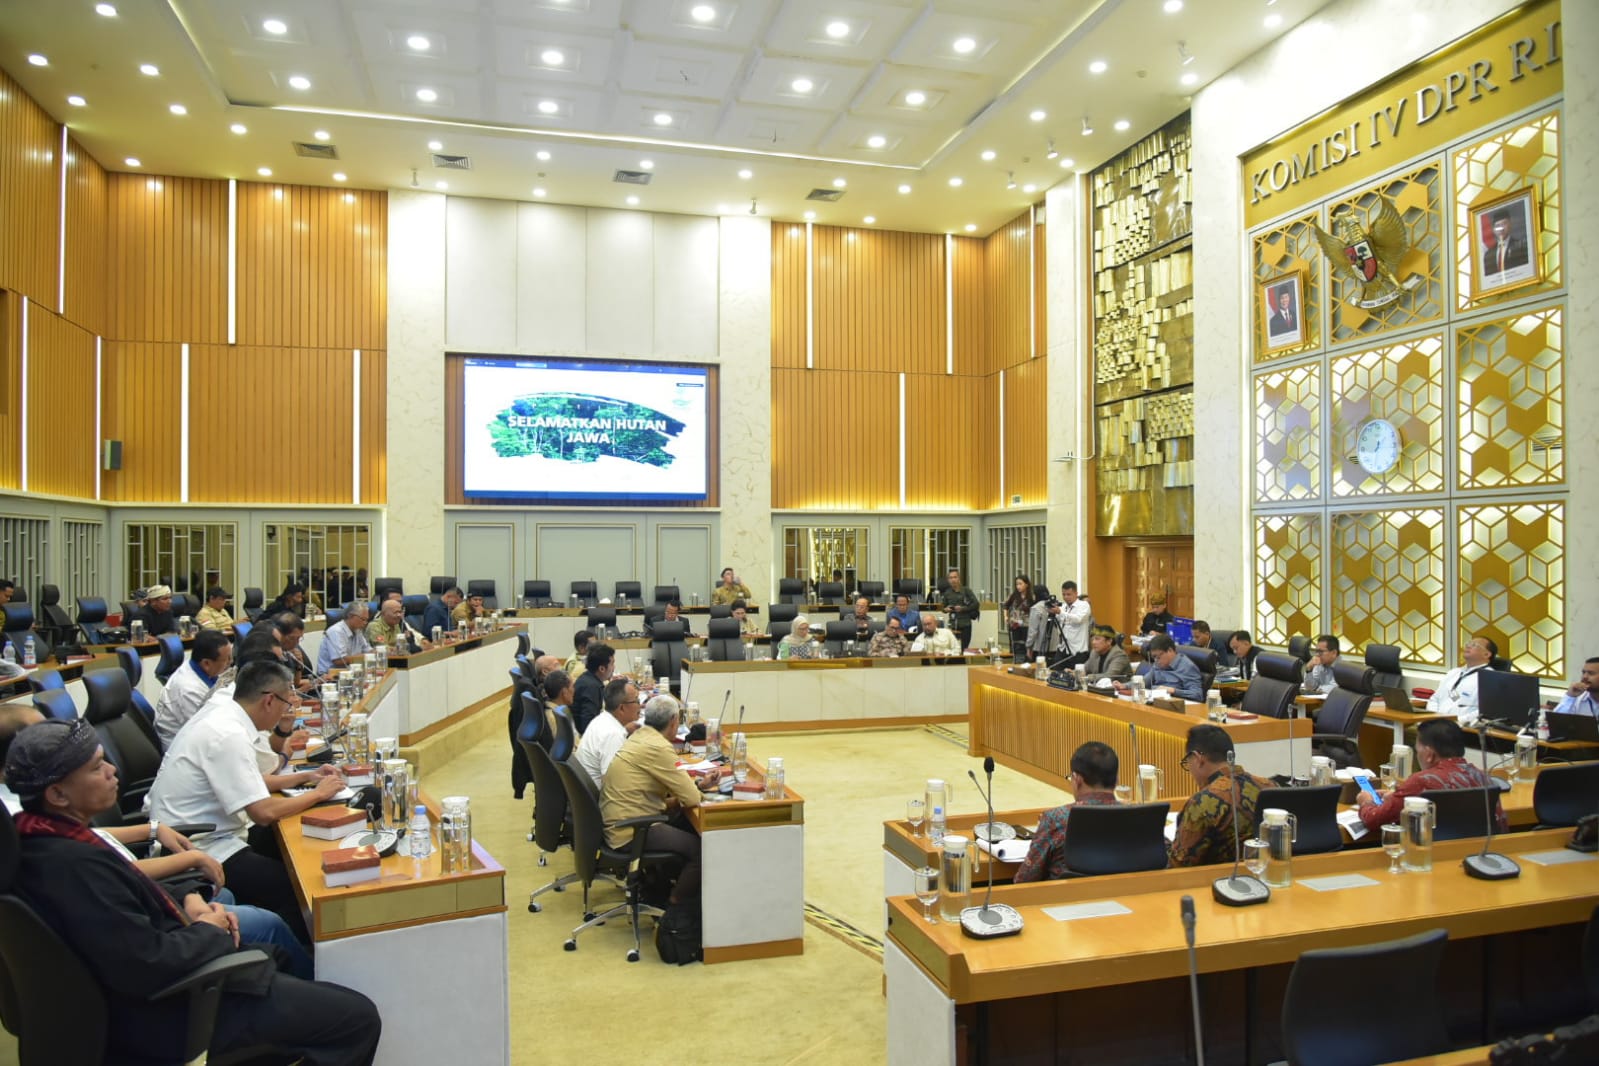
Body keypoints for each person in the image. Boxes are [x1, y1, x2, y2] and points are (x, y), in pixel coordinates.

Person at [4, 718, 381, 1065]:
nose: (112, 771)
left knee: (278, 955)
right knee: (356, 1018)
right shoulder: (73, 867)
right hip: (169, 1011)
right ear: (58, 794)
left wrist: (189, 899)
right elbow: (149, 963)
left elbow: (131, 894)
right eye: (96, 768)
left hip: (157, 983)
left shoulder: (41, 837)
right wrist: (210, 928)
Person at [147, 662, 346, 942]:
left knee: (291, 845)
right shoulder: (228, 733)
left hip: (209, 833)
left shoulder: (225, 716)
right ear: (268, 701)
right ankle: (299, 958)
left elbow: (251, 781)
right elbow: (263, 812)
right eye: (286, 704)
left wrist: (307, 778)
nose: (286, 712)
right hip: (197, 846)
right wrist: (318, 794)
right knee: (294, 884)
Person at [601, 694, 723, 904]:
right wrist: (696, 790)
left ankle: (658, 889)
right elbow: (692, 799)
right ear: (674, 721)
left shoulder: (640, 736)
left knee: (685, 824)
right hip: (631, 831)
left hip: (623, 819)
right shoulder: (659, 747)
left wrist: (699, 786)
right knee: (703, 849)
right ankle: (675, 909)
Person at [1357, 719, 1507, 832]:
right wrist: (1399, 795)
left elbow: (1373, 820)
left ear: (1429, 754)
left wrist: (1366, 801)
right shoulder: (1482, 777)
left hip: (1432, 855)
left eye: (1417, 750)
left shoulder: (1421, 781)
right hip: (1476, 856)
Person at [1013, 743, 1120, 883]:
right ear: (1117, 779)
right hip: (1123, 899)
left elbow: (1025, 880)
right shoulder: (1135, 816)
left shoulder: (1056, 819)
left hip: (1063, 900)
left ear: (1077, 780)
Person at [1168, 724, 1273, 867]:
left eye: (1188, 762)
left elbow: (1178, 865)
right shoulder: (1269, 786)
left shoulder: (1203, 801)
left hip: (1217, 882)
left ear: (1199, 759)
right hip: (1266, 874)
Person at [154, 628, 233, 747]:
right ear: (206, 663)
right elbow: (208, 730)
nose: (230, 663)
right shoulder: (189, 689)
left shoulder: (202, 669)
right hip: (179, 745)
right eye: (226, 659)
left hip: (199, 736)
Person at [574, 678, 641, 789]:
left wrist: (625, 730)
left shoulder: (602, 719)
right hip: (601, 800)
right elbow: (615, 784)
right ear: (622, 708)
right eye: (636, 701)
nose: (640, 706)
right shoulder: (613, 735)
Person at [1427, 635, 1496, 725]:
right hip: (1436, 723)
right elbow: (1434, 699)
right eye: (1468, 644)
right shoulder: (1453, 673)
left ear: (1486, 654)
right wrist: (1433, 717)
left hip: (1462, 728)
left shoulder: (1490, 678)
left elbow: (1486, 711)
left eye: (1474, 645)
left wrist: (1458, 721)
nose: (1468, 646)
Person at [1120, 634, 1205, 702]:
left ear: (1170, 650)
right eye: (1154, 657)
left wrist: (1173, 690)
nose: (1156, 661)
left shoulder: (1187, 667)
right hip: (1155, 703)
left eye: (1158, 657)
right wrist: (1124, 686)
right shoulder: (1158, 664)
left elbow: (1198, 695)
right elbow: (1145, 681)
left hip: (1176, 708)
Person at [316, 602, 372, 674]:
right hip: (329, 676)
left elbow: (367, 650)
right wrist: (365, 657)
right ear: (350, 616)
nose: (365, 623)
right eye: (363, 619)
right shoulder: (336, 631)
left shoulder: (357, 631)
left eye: (367, 620)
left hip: (349, 672)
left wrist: (382, 652)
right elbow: (339, 660)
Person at [572, 642, 614, 733]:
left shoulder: (587, 678)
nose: (614, 667)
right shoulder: (591, 687)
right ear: (602, 669)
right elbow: (588, 725)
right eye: (612, 664)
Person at [939, 568, 979, 651]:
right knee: (954, 648)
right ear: (948, 580)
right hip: (953, 624)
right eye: (951, 578)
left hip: (965, 624)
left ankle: (963, 662)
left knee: (964, 648)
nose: (953, 580)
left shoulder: (966, 590)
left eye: (955, 577)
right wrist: (946, 609)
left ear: (959, 578)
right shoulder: (947, 592)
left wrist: (963, 609)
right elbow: (942, 607)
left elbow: (976, 604)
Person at [1482, 209, 1529, 277]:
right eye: (1497, 225)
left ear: (1510, 224)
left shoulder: (1520, 247)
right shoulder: (1488, 254)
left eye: (1504, 224)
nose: (1501, 228)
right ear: (1493, 230)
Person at [1004, 576, 1034, 660]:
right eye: (1017, 584)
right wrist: (1006, 616)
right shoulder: (1013, 595)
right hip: (1015, 624)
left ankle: (1027, 659)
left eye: (1020, 584)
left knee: (1026, 644)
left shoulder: (1032, 596)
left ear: (1026, 584)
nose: (1018, 586)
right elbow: (1006, 606)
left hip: (1027, 624)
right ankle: (1017, 660)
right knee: (1016, 645)